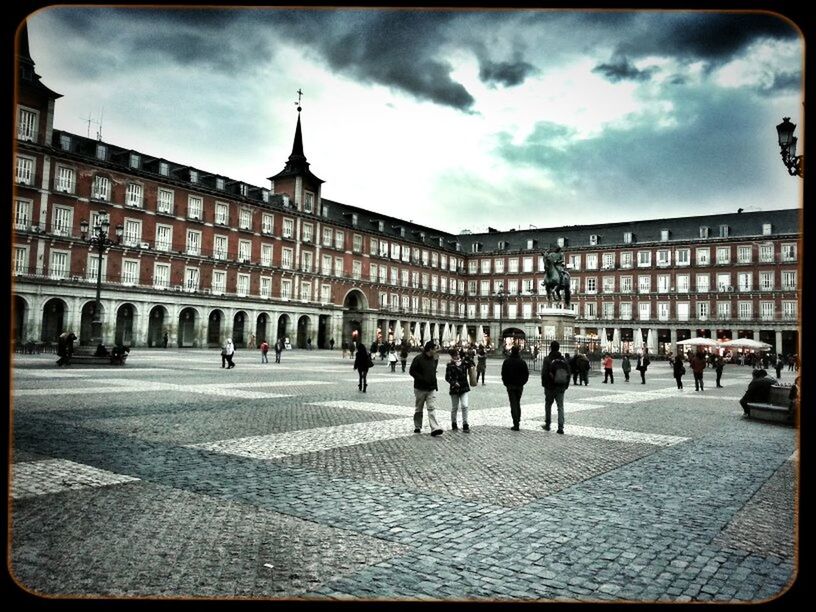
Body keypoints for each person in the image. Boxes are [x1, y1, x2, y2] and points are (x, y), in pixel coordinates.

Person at [409, 341, 443, 436]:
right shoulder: (418, 358)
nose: (436, 350)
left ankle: (435, 428)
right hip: (420, 388)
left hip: (431, 388)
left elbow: (433, 370)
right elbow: (412, 371)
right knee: (419, 408)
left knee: (431, 408)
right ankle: (417, 426)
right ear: (430, 349)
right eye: (435, 348)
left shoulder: (434, 358)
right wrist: (422, 378)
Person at [541, 340, 570, 434]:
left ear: (550, 348)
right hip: (560, 387)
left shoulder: (547, 359)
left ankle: (548, 424)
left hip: (549, 387)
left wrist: (545, 385)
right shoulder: (563, 360)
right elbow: (568, 373)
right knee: (560, 406)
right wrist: (566, 385)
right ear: (559, 348)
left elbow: (544, 374)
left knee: (548, 405)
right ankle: (560, 427)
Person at [501, 345, 529, 431]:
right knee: (517, 402)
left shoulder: (507, 361)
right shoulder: (522, 362)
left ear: (511, 351)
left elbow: (503, 373)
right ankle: (518, 419)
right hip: (519, 385)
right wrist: (522, 383)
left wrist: (506, 383)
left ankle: (516, 422)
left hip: (510, 385)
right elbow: (526, 374)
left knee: (513, 403)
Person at [445, 349, 471, 432]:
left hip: (464, 387)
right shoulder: (450, 365)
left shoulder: (464, 363)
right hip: (454, 389)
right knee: (455, 407)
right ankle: (454, 423)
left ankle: (465, 424)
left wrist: (468, 358)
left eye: (458, 354)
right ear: (452, 356)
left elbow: (472, 365)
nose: (458, 356)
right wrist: (453, 383)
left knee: (465, 405)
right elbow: (447, 377)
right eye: (456, 355)